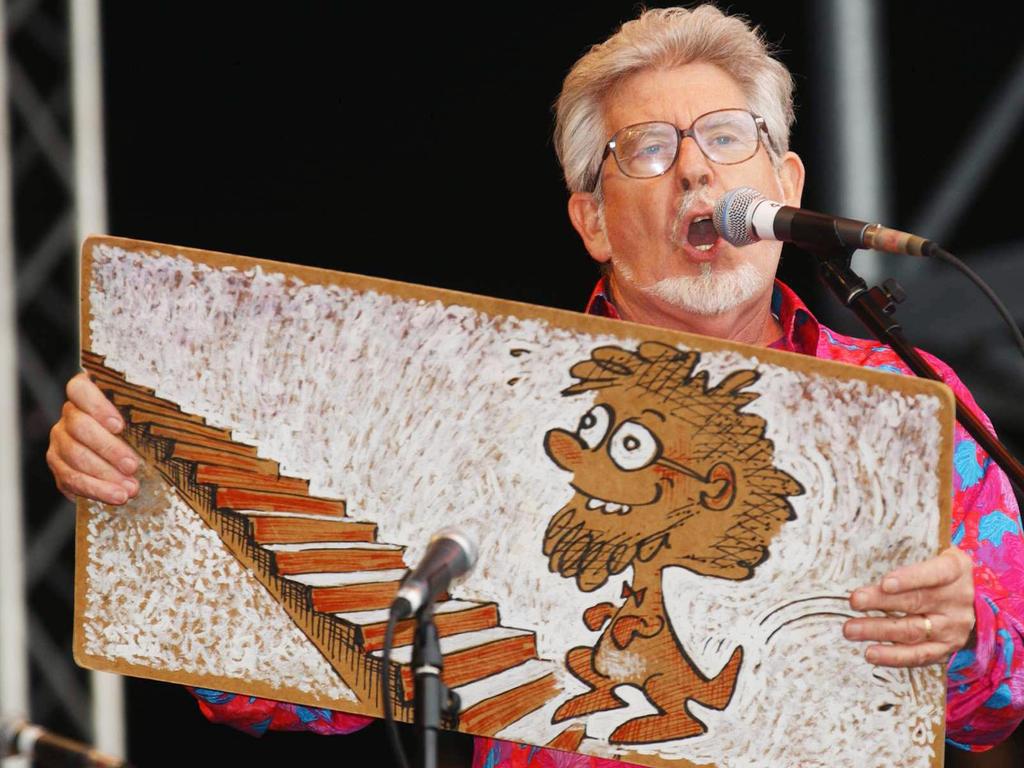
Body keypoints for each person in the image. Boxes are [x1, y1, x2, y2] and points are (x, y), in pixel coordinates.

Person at [48, 5, 1023, 766]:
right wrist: (150, 499)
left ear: (787, 184)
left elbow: (1001, 702)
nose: (693, 169)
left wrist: (967, 631)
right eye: (646, 150)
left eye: (726, 136)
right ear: (593, 221)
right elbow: (267, 690)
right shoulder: (476, 411)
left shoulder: (904, 398)